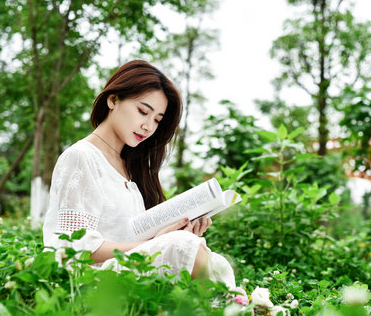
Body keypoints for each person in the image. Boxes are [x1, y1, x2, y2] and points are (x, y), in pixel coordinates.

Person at [43, 60, 236, 288]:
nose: (148, 126)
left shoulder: (131, 167)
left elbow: (129, 236)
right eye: (143, 111)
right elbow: (72, 246)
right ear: (113, 100)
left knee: (200, 250)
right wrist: (157, 243)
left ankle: (233, 310)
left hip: (128, 268)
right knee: (182, 246)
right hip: (90, 278)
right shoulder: (82, 156)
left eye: (157, 120)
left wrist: (174, 232)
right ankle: (230, 312)